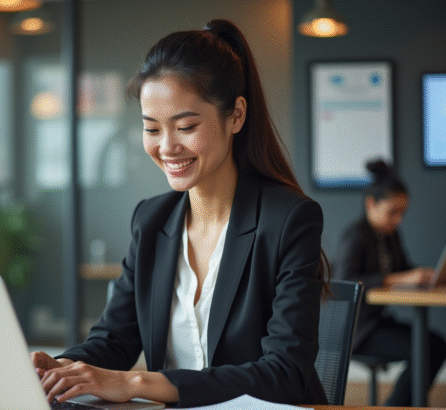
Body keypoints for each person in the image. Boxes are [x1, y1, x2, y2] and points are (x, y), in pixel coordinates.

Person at [32, 19, 328, 408]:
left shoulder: (289, 219)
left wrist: (137, 382)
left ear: (236, 115)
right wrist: (62, 368)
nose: (167, 147)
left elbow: (285, 374)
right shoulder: (151, 221)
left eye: (186, 126)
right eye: (151, 129)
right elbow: (114, 339)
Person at [334, 159, 446, 406]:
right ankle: (396, 406)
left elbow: (403, 268)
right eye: (393, 212)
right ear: (371, 204)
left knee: (436, 344)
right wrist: (402, 278)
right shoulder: (355, 236)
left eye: (402, 213)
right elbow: (347, 283)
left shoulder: (390, 236)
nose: (398, 220)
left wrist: (423, 275)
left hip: (378, 322)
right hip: (357, 331)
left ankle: (400, 404)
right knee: (425, 348)